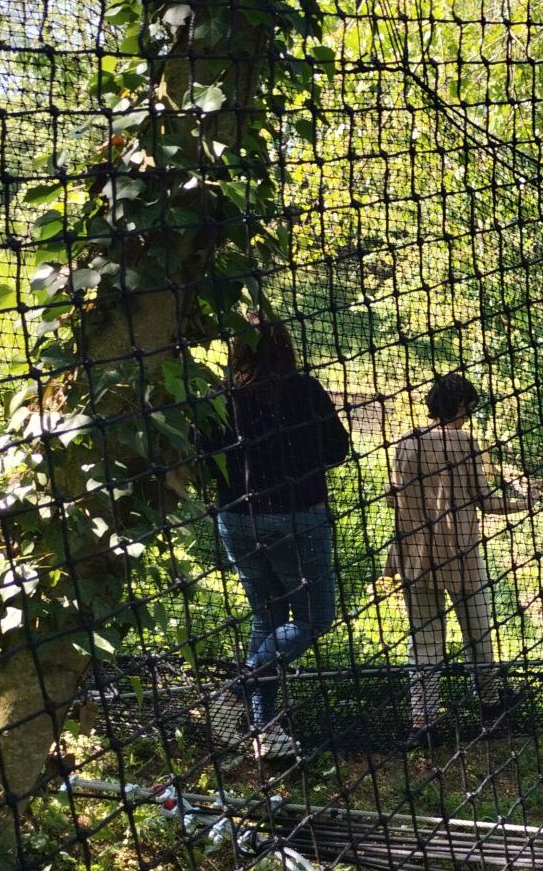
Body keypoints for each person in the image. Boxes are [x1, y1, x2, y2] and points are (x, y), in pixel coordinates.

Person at [210, 313, 351, 759]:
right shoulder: (303, 390)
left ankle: (262, 730)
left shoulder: (222, 396)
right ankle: (237, 689)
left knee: (266, 617)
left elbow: (205, 453)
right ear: (284, 346)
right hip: (296, 518)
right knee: (314, 618)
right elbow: (337, 449)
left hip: (235, 519)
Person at [387, 372, 531, 744]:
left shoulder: (405, 443)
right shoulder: (466, 443)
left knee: (424, 643)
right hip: (459, 553)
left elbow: (392, 497)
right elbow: (485, 501)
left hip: (414, 554)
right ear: (462, 406)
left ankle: (423, 722)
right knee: (477, 631)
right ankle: (490, 704)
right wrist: (523, 503)